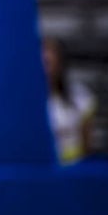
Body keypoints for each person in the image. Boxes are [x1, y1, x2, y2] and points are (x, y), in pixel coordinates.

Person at [42, 35, 97, 164]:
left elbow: (87, 146)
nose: (46, 71)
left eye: (49, 63)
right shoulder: (26, 103)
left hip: (73, 168)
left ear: (60, 64)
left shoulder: (80, 96)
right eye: (42, 63)